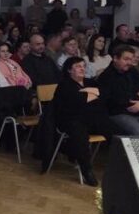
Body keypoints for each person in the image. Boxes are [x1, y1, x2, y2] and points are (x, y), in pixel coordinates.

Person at [50, 58, 116, 186]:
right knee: (80, 136)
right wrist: (95, 94)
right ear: (69, 70)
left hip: (90, 118)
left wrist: (89, 92)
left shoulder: (89, 82)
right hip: (70, 120)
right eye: (77, 66)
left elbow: (106, 95)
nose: (82, 68)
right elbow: (78, 101)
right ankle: (86, 170)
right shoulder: (64, 84)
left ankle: (119, 166)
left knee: (113, 130)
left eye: (83, 66)